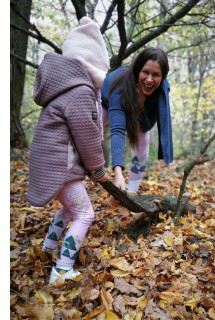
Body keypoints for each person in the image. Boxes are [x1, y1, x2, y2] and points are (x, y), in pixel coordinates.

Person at [27, 16, 110, 285]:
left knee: (68, 209)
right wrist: (97, 169)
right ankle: (61, 271)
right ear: (95, 65)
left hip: (53, 165)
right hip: (61, 169)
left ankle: (47, 250)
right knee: (85, 214)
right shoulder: (80, 91)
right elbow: (86, 135)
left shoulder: (64, 88)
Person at [101, 47, 173, 195]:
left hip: (136, 108)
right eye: (145, 72)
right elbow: (118, 131)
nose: (149, 79)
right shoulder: (120, 84)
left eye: (156, 75)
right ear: (137, 70)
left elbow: (146, 126)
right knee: (91, 129)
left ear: (163, 77)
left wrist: (139, 107)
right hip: (106, 103)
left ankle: (131, 192)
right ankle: (73, 171)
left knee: (144, 142)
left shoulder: (161, 92)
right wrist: (118, 174)